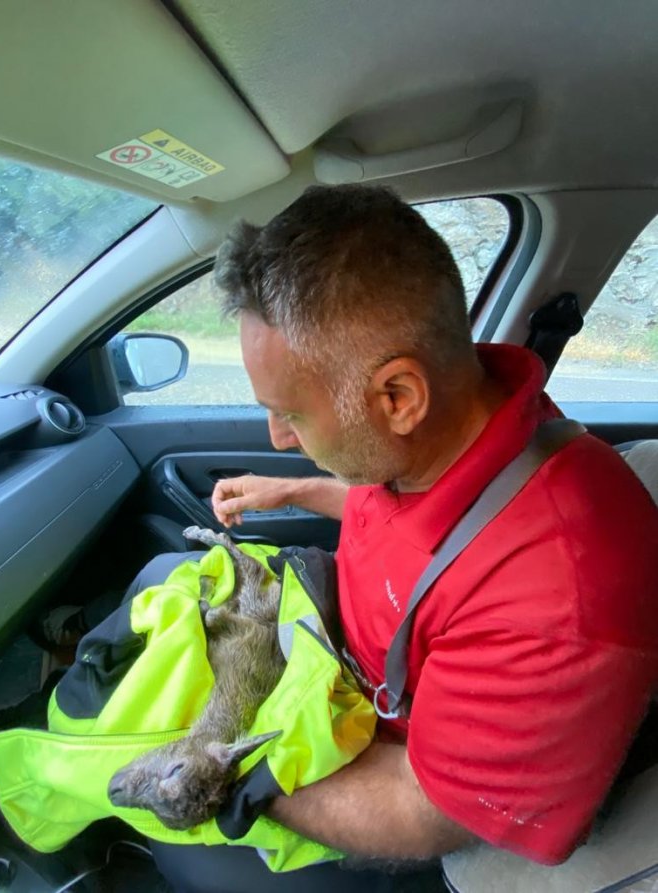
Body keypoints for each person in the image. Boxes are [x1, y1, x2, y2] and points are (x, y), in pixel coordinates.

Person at [67, 186, 658, 891]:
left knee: (178, 846)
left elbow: (426, 808)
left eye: (289, 414)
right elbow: (424, 529)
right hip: (345, 645)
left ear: (399, 397)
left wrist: (229, 780)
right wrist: (293, 489)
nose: (277, 437)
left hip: (395, 763)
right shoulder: (470, 424)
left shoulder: (559, 600)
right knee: (162, 575)